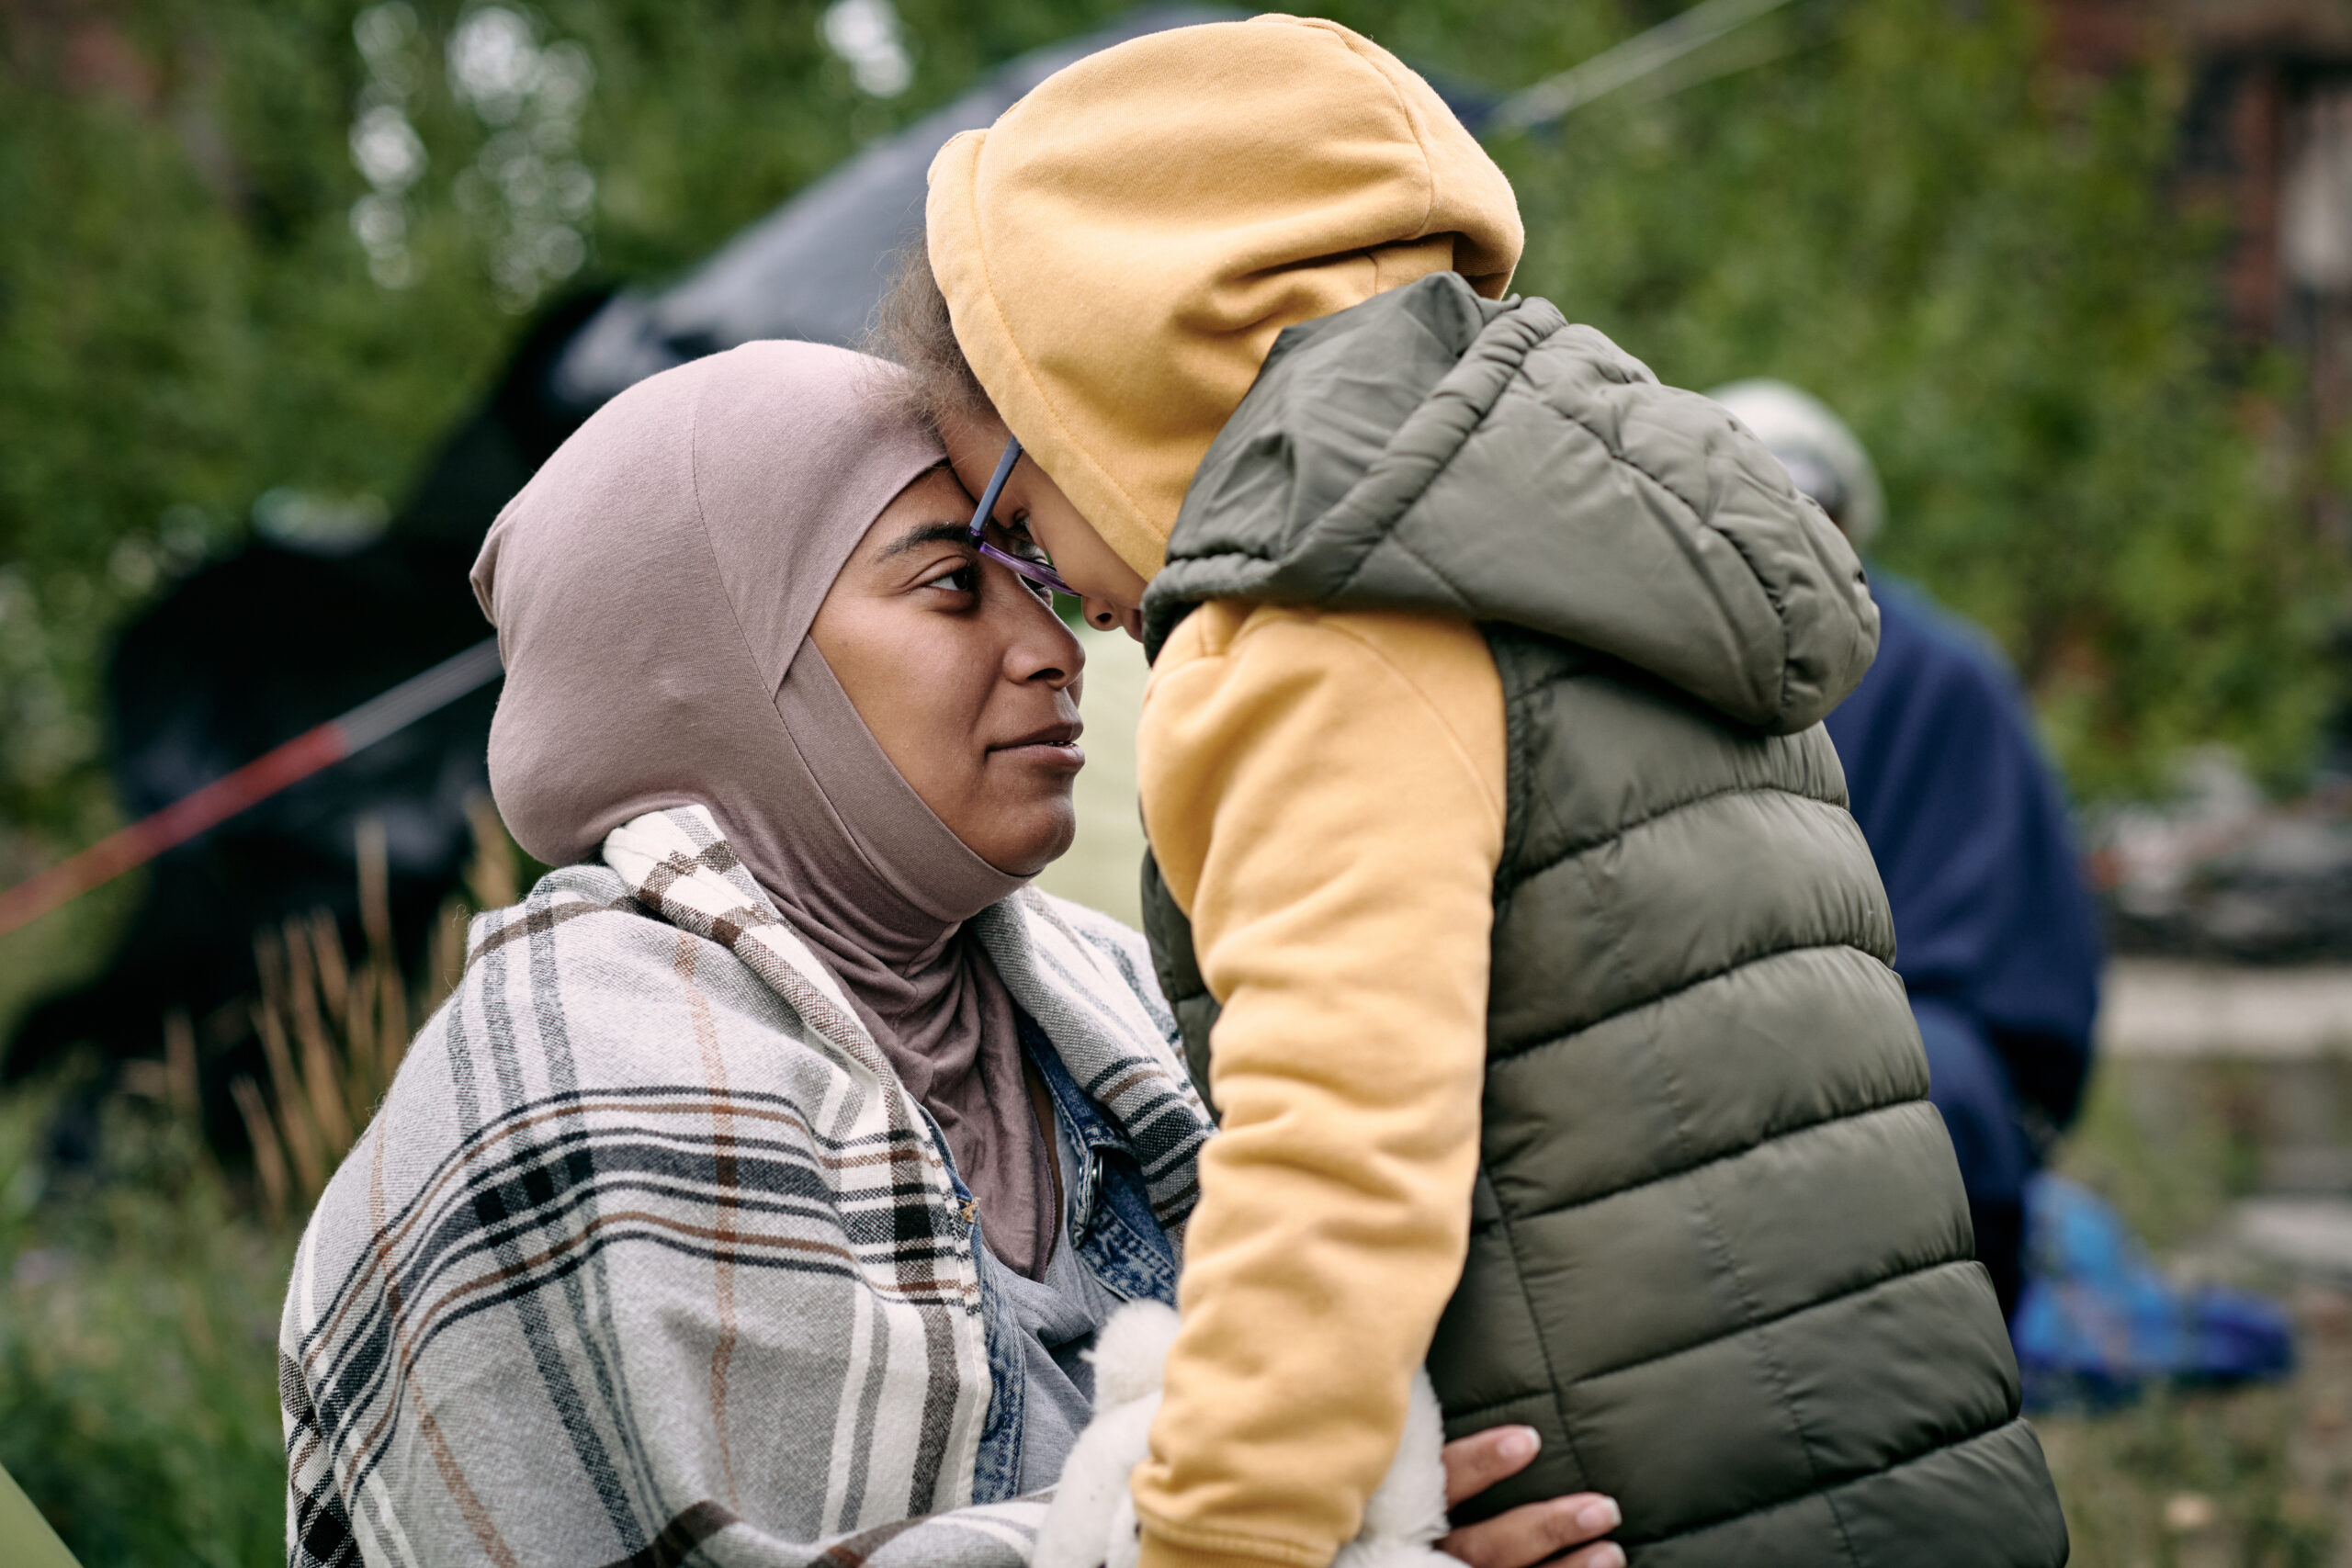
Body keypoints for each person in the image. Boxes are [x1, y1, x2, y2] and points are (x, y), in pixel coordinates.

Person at [897, 16, 2070, 1568]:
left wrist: (1214, 1537)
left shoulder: (1321, 618)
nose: (1054, 595)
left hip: (1662, 1508)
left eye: (1015, 513)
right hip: (1889, 1456)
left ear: (1118, 380)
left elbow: (1338, 1154)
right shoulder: (1578, 534)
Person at [276, 341, 1623, 1568]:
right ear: (723, 666)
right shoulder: (566, 1086)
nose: (1055, 647)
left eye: (1039, 575)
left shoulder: (1121, 994)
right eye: (952, 585)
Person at [1707, 380, 2105, 1323]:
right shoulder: (1636, 668)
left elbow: (2033, 974)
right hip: (1692, 1030)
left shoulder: (1943, 678)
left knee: (1935, 1093)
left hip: (1912, 1031)